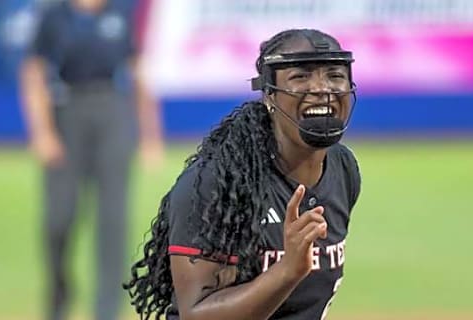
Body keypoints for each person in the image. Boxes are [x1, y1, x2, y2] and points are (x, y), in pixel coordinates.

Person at [124, 29, 361, 320]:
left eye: (335, 75)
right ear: (269, 96)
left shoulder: (343, 168)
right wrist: (286, 271)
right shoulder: (217, 182)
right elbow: (196, 314)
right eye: (300, 77)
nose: (321, 87)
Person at [18, 0, 163, 319]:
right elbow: (33, 73)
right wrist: (41, 131)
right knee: (59, 216)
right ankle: (59, 297)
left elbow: (138, 73)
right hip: (68, 112)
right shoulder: (54, 15)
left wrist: (150, 134)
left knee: (113, 218)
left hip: (112, 111)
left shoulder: (119, 13)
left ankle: (106, 309)